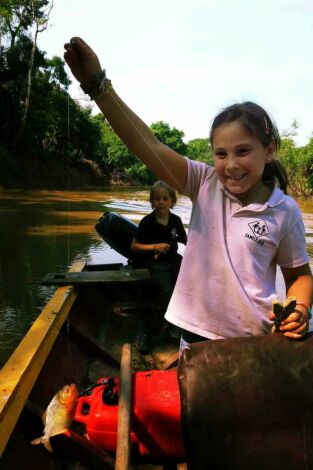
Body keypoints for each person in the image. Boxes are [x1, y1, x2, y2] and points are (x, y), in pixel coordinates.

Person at [64, 37, 313, 348]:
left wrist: (300, 309)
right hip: (195, 339)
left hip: (256, 341)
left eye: (243, 151)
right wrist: (98, 86)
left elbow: (299, 277)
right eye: (221, 154)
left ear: (270, 150)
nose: (231, 165)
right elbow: (148, 145)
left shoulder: (285, 211)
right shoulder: (204, 182)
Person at [131, 180, 187, 353]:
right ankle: (146, 332)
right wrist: (155, 246)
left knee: (185, 292)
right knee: (167, 296)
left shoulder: (176, 220)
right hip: (157, 263)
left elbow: (187, 242)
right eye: (157, 199)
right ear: (152, 202)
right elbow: (134, 246)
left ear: (172, 201)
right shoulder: (147, 222)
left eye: (165, 198)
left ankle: (175, 326)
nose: (161, 202)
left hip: (175, 261)